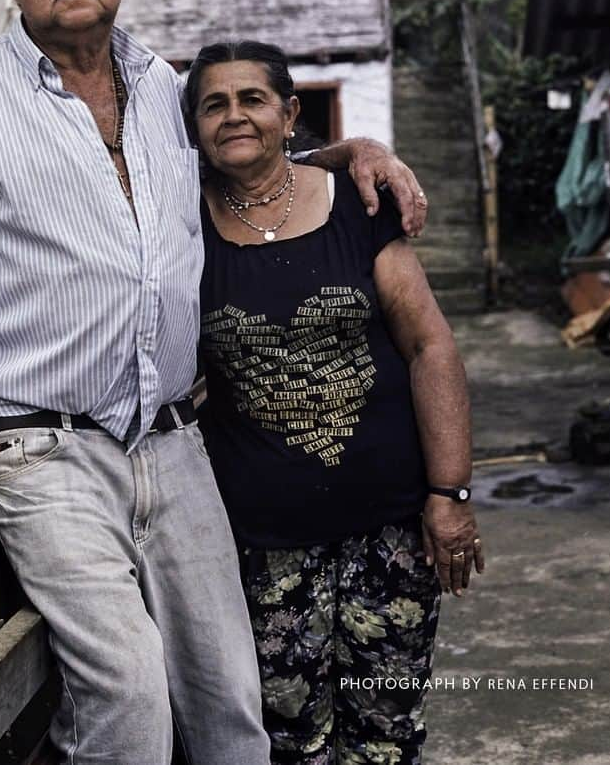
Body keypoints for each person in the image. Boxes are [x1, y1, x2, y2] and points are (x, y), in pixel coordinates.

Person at [0, 0, 429, 765]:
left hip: (174, 440)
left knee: (230, 696)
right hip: (42, 444)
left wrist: (350, 151)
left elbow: (242, 164)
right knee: (130, 697)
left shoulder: (161, 85)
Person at [182, 39, 484, 765]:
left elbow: (429, 348)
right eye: (213, 105)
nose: (234, 117)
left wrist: (450, 492)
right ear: (193, 127)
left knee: (385, 730)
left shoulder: (357, 203)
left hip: (390, 532)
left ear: (289, 114)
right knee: (288, 737)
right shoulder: (181, 229)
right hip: (263, 546)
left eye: (252, 99)